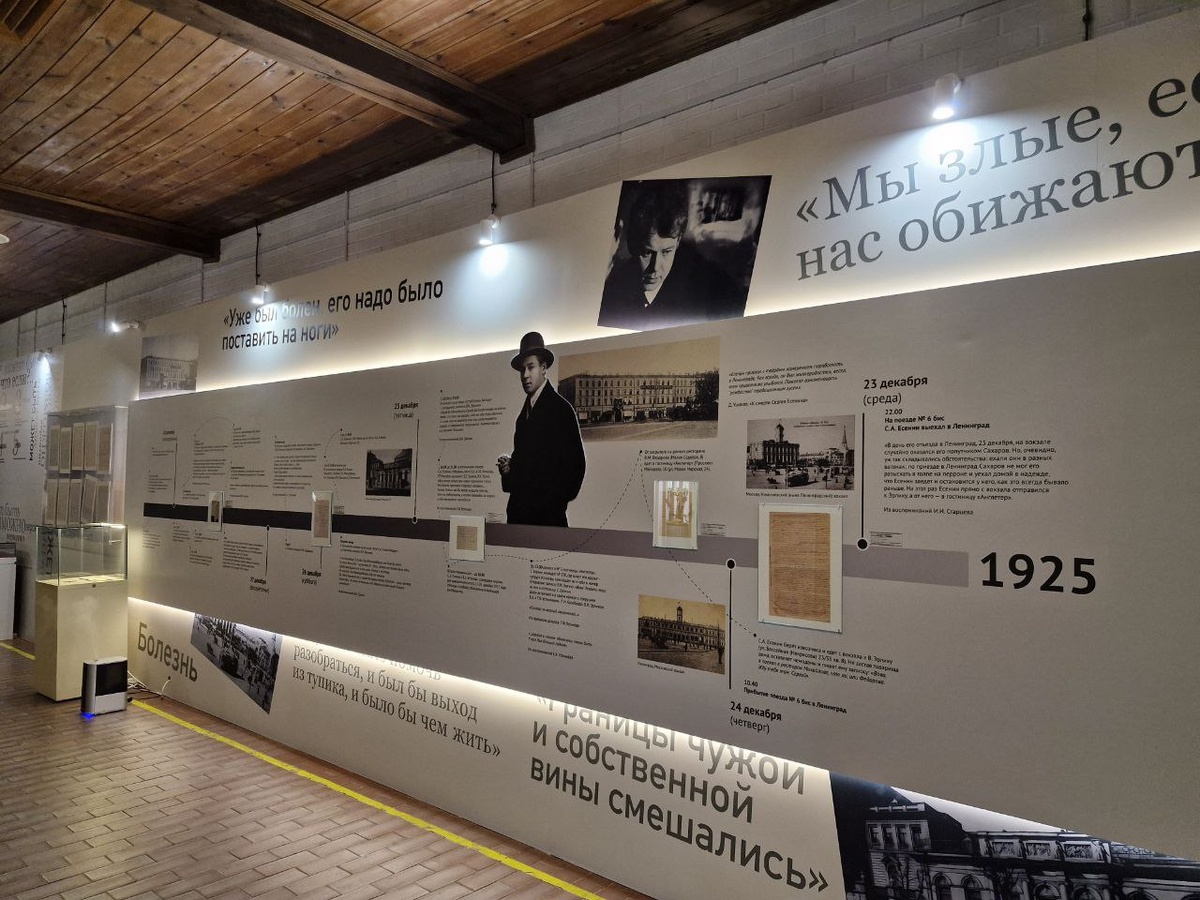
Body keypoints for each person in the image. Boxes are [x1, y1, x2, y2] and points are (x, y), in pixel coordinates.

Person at [598, 182, 745, 330]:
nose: (655, 268)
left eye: (667, 252)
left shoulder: (710, 285)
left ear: (678, 242)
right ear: (633, 245)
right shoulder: (613, 287)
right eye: (647, 253)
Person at [497, 332, 586, 526]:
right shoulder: (524, 414)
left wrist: (551, 504)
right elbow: (530, 466)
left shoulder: (560, 409)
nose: (525, 375)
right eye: (522, 370)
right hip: (521, 521)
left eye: (531, 367)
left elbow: (576, 468)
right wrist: (510, 470)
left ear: (543, 368)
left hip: (545, 522)